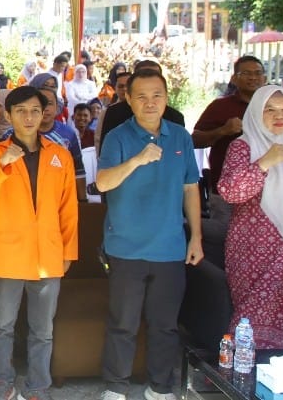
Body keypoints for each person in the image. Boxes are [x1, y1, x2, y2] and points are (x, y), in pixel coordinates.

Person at [95, 69, 203, 400]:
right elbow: (103, 183)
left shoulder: (180, 137)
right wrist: (138, 160)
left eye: (157, 95)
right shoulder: (117, 137)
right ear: (128, 99)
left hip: (169, 247)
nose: (150, 102)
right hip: (125, 248)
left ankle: (159, 388)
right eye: (141, 96)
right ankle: (115, 388)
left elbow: (190, 188)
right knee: (123, 324)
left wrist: (196, 237)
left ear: (167, 98)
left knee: (165, 325)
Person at [0, 87, 78, 400]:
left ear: (44, 114)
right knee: (3, 325)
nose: (29, 117)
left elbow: (68, 208)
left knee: (42, 330)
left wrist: (69, 251)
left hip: (48, 253)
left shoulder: (60, 155)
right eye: (20, 111)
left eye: (35, 110)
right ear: (8, 115)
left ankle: (38, 386)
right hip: (8, 253)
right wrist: (4, 163)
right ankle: (3, 383)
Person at [218, 85, 283, 347]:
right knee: (252, 317)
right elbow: (231, 192)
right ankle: (246, 369)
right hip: (255, 253)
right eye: (270, 109)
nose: (279, 115)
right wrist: (264, 163)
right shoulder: (243, 147)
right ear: (257, 112)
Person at [193, 55, 266, 224]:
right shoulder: (219, 107)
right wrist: (223, 130)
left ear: (264, 78)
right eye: (246, 73)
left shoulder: (275, 106)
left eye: (257, 73)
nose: (253, 77)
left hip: (267, 190)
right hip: (227, 189)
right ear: (234, 78)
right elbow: (194, 140)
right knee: (224, 235)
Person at [97, 61, 184, 155]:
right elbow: (106, 153)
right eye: (144, 76)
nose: (149, 82)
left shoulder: (175, 118)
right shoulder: (114, 113)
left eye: (154, 76)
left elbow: (181, 155)